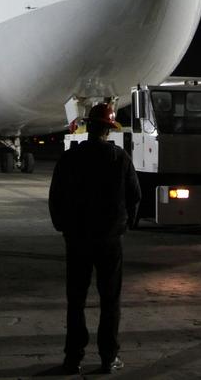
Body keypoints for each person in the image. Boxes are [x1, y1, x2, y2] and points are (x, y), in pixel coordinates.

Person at [48, 102, 141, 374]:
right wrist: (125, 225)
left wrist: (62, 226)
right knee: (110, 300)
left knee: (75, 300)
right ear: (110, 129)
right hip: (109, 240)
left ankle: (73, 358)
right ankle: (108, 357)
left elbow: (56, 196)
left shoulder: (70, 157)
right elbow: (134, 197)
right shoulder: (119, 157)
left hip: (77, 239)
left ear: (89, 126)